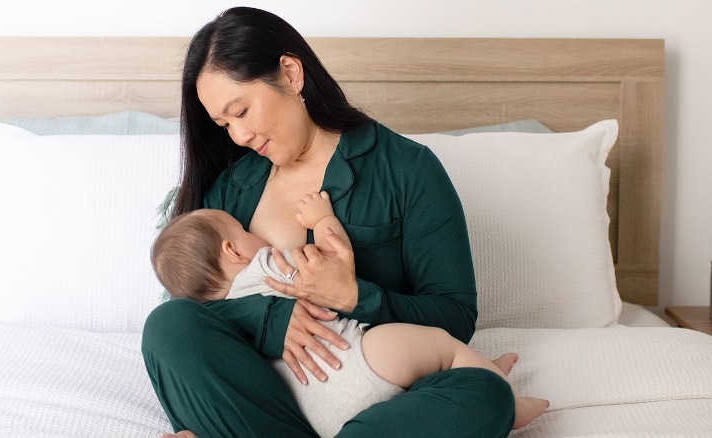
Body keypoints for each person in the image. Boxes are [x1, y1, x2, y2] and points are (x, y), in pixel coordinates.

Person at [142, 6, 520, 437]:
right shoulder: (231, 191)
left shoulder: (408, 170)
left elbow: (454, 316)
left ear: (289, 73)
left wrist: (355, 295)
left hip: (374, 398)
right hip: (267, 403)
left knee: (487, 396)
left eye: (241, 111)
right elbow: (200, 310)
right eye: (223, 123)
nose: (238, 137)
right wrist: (268, 320)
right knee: (167, 326)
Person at [151, 192, 548, 437]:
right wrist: (322, 221)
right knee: (440, 346)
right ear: (233, 251)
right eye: (243, 229)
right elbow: (331, 257)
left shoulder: (215, 318)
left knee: (473, 393)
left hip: (316, 414)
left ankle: (480, 384)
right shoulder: (268, 265)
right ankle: (499, 387)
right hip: (350, 359)